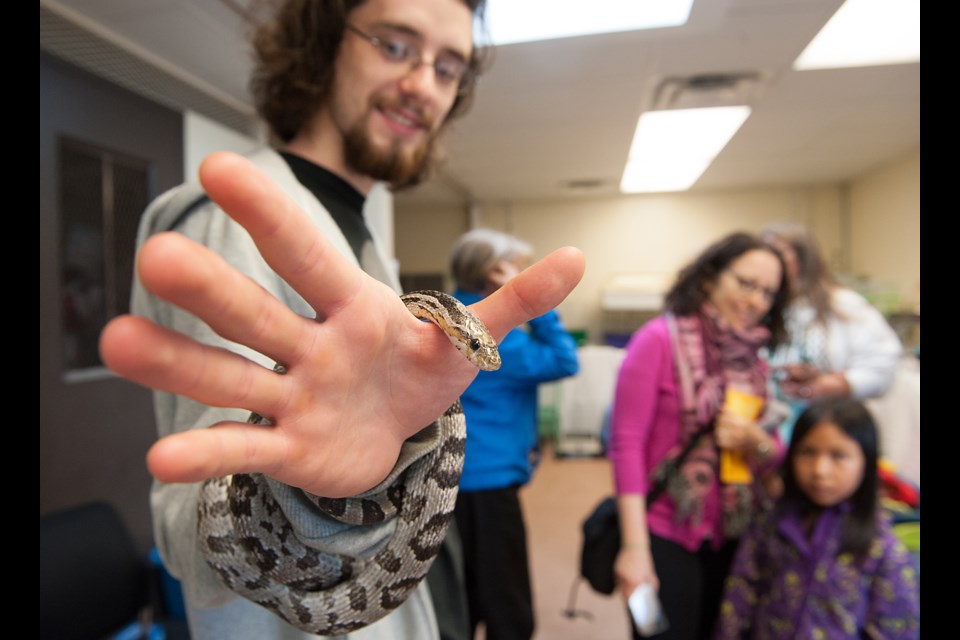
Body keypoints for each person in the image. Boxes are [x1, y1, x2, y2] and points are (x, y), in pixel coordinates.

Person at [96, 1, 586, 638]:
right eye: (394, 45)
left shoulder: (362, 235)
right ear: (324, 42)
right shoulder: (239, 222)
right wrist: (301, 490)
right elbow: (193, 533)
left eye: (449, 68)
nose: (422, 85)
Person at [608, 232, 792, 640]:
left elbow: (774, 452)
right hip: (661, 532)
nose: (756, 301)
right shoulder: (658, 339)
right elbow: (626, 446)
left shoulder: (756, 362)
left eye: (768, 293)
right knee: (659, 632)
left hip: (734, 533)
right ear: (710, 277)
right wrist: (634, 549)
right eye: (746, 284)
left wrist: (754, 441)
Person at [448, 228, 580, 639]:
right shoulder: (503, 340)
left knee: (460, 592)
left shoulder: (446, 321)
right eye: (517, 269)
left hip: (446, 479)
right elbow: (564, 359)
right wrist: (534, 306)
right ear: (495, 274)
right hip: (490, 484)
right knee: (507, 600)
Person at [713, 397, 920, 639]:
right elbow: (737, 604)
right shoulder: (769, 526)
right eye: (807, 452)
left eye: (838, 456)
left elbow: (897, 629)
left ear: (866, 461)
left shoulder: (880, 547)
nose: (820, 470)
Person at [760, 222, 903, 443]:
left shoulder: (844, 305)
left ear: (802, 258)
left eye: (778, 253)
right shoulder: (761, 307)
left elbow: (883, 364)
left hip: (831, 430)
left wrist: (827, 386)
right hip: (770, 435)